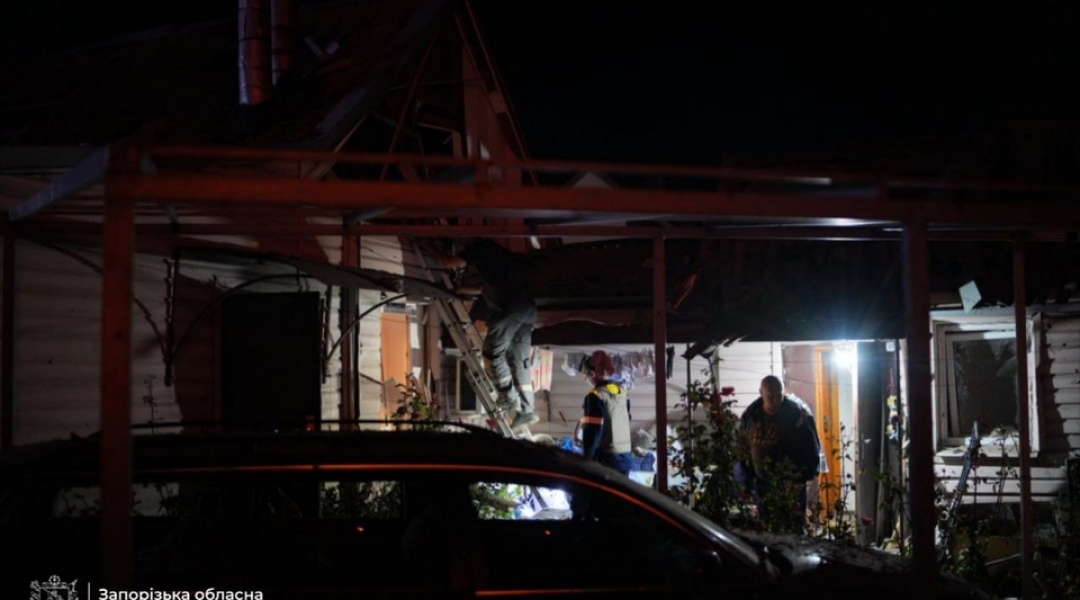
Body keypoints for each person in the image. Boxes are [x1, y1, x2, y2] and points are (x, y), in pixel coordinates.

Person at [446, 239, 539, 431]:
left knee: (491, 353)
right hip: (527, 310)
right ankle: (527, 410)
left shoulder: (480, 248)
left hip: (510, 310)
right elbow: (482, 289)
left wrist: (431, 254)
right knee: (518, 361)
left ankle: (509, 397)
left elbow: (450, 262)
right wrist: (460, 290)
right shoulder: (499, 260)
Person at [738, 374, 823, 530]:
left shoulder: (797, 414)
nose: (775, 401)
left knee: (795, 525)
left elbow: (812, 447)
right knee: (768, 526)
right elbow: (741, 448)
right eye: (770, 397)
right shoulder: (751, 415)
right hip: (761, 481)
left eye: (779, 396)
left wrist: (804, 476)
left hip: (791, 480)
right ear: (761, 393)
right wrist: (747, 480)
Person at [578, 350, 637, 476]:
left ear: (593, 374)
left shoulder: (595, 395)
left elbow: (593, 431)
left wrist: (586, 460)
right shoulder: (622, 393)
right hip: (626, 457)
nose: (584, 379)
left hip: (606, 459)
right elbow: (627, 420)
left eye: (585, 374)